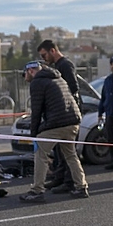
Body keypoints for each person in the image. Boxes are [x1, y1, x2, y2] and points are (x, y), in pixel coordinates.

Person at [20, 61, 88, 202]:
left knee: (41, 154)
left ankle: (37, 191)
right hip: (73, 121)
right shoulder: (58, 77)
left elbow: (36, 110)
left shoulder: (37, 82)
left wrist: (34, 134)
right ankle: (81, 186)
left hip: (57, 123)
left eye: (24, 73)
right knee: (70, 154)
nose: (24, 77)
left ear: (31, 71)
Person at [38, 39, 81, 193]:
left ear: (52, 51)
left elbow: (73, 87)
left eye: (44, 55)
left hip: (67, 114)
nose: (44, 59)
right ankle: (59, 178)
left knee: (68, 151)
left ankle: (69, 182)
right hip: (60, 114)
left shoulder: (65, 65)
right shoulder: (57, 66)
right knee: (60, 150)